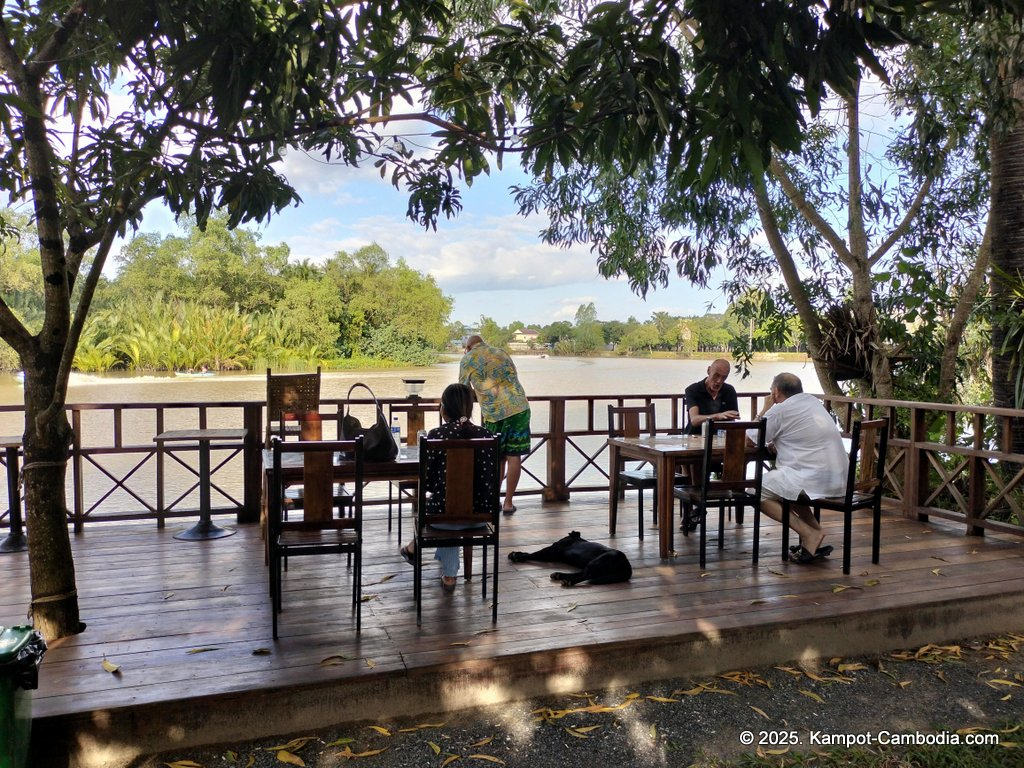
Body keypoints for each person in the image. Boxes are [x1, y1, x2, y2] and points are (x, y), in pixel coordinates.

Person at [399, 383, 499, 591]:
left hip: (443, 518)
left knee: (446, 506)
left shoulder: (436, 435)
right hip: (481, 515)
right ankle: (434, 561)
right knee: (453, 504)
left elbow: (427, 482)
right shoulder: (487, 435)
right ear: (470, 409)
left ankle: (449, 574)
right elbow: (491, 479)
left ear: (443, 408)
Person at [753, 372, 848, 563]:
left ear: (776, 392)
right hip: (838, 478)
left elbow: (752, 435)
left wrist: (764, 409)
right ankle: (816, 533)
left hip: (812, 478)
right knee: (787, 488)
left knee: (755, 490)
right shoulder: (813, 403)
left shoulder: (780, 409)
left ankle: (807, 533)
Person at [459, 334, 531, 514]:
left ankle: (492, 500)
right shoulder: (501, 352)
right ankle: (508, 503)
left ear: (468, 348)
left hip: (494, 414)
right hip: (519, 409)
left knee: (497, 458)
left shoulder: (467, 359)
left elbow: (462, 390)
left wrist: (479, 394)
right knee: (514, 457)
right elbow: (512, 376)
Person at [684, 359, 740, 434]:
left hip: (720, 437)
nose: (719, 381)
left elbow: (733, 417)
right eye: (716, 375)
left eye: (724, 377)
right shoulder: (693, 390)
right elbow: (694, 420)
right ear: (708, 370)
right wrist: (718, 416)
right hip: (695, 436)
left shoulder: (729, 391)